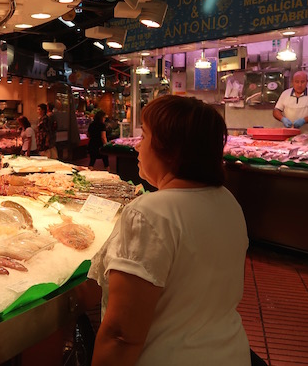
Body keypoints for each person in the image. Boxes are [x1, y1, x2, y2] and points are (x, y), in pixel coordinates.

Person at [88, 95, 250, 365]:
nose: (138, 147)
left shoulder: (149, 213)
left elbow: (120, 335)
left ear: (170, 149)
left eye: (145, 136)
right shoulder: (228, 201)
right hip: (231, 353)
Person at [272, 70, 308, 137]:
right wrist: (282, 119)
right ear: (292, 82)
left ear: (307, 82)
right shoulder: (285, 94)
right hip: (289, 136)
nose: (299, 85)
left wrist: (304, 120)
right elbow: (276, 111)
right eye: (297, 82)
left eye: (302, 82)